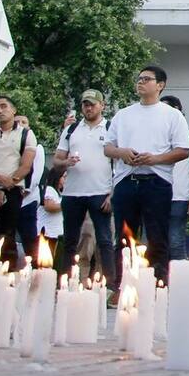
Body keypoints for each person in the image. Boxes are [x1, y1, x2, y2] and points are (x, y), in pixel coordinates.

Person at [104, 65, 189, 289]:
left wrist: (155, 159)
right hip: (126, 180)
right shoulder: (123, 114)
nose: (141, 82)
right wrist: (122, 153)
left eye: (147, 79)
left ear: (160, 85)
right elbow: (108, 148)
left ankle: (157, 283)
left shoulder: (172, 116)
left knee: (157, 236)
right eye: (139, 78)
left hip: (157, 181)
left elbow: (183, 150)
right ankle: (122, 285)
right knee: (124, 236)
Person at [55, 90, 115, 282]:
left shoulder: (111, 128)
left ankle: (110, 283)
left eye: (92, 104)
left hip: (100, 191)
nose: (88, 108)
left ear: (102, 106)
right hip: (73, 192)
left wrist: (112, 194)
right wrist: (66, 162)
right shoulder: (71, 130)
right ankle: (65, 280)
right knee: (71, 240)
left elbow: (120, 164)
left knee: (105, 240)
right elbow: (57, 160)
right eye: (85, 104)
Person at [0, 94, 37, 273]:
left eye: (3, 106)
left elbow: (26, 166)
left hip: (13, 188)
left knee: (8, 233)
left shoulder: (26, 134)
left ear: (13, 110)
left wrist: (4, 186)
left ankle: (6, 275)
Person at [160, 94, 189, 262]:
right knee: (154, 241)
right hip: (155, 194)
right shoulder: (153, 135)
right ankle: (155, 281)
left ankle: (178, 281)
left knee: (176, 241)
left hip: (180, 196)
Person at [13, 114, 45, 260]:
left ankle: (34, 271)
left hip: (27, 199)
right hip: (9, 198)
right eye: (17, 122)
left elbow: (36, 174)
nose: (20, 124)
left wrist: (25, 190)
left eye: (23, 122)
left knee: (29, 239)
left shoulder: (37, 148)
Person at [37, 165, 65, 255]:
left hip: (57, 234)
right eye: (64, 177)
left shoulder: (61, 193)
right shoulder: (50, 190)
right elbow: (49, 207)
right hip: (48, 234)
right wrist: (67, 205)